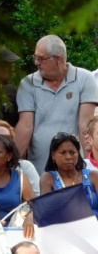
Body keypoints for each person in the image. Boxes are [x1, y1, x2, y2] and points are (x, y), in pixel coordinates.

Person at [15, 34, 98, 174]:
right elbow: (25, 126)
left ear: (58, 59)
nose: (36, 62)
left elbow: (85, 125)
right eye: (35, 57)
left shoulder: (85, 79)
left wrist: (88, 168)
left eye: (40, 58)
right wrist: (11, 164)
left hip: (75, 169)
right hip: (39, 170)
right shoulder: (28, 83)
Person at [39, 132, 98, 218]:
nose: (68, 157)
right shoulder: (48, 179)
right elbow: (46, 211)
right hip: (63, 225)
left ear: (78, 154)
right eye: (62, 153)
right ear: (53, 155)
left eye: (72, 152)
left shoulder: (93, 176)